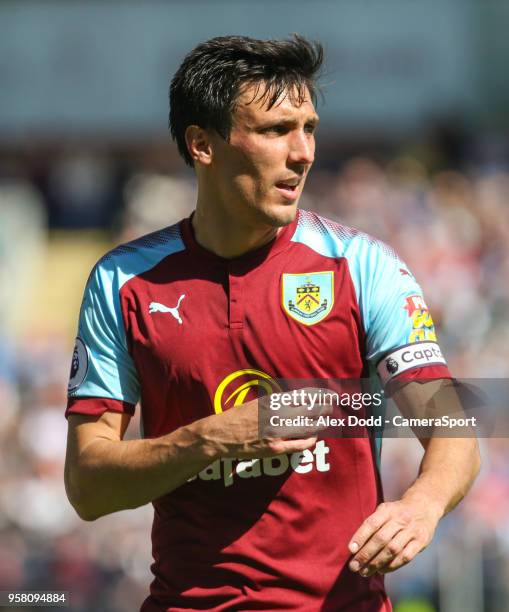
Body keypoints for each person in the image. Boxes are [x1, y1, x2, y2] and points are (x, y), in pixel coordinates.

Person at [64, 35, 480, 611]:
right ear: (202, 144)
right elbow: (87, 485)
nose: (303, 151)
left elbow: (451, 426)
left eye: (308, 128)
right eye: (275, 130)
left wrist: (422, 504)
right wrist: (213, 438)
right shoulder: (123, 283)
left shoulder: (361, 266)